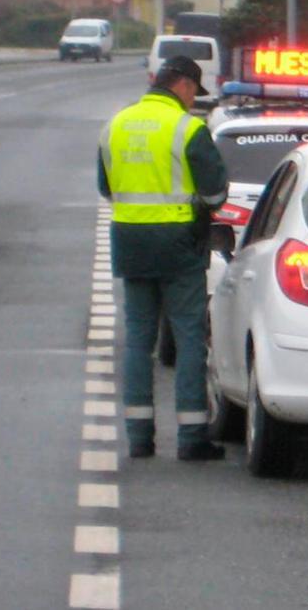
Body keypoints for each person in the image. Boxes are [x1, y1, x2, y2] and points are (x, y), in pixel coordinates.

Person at [97, 55, 229, 461]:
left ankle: (139, 438)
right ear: (184, 85)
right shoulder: (189, 129)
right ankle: (191, 437)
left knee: (138, 338)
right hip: (179, 243)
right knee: (189, 336)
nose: (194, 101)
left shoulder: (114, 126)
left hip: (130, 239)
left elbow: (106, 187)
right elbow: (216, 195)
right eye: (194, 93)